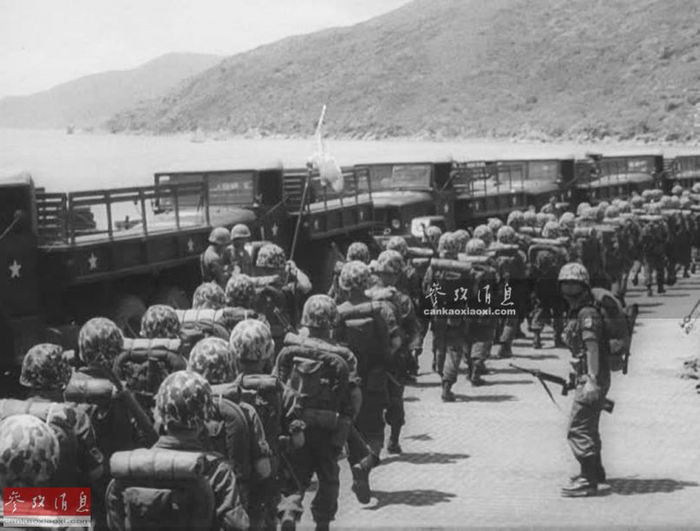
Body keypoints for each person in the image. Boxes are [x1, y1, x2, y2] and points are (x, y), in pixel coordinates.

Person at [105, 371, 249, 530]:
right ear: (204, 418)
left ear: (160, 415)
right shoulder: (217, 472)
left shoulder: (131, 469)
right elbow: (236, 526)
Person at [275, 295, 359, 531]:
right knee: (329, 476)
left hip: (294, 425)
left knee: (294, 476)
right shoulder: (344, 356)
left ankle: (289, 510)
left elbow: (276, 386)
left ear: (305, 319)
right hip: (328, 429)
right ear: (333, 321)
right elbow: (354, 396)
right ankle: (322, 522)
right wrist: (347, 424)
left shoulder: (289, 350)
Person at [0, 344, 104, 489]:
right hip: (59, 500)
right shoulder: (73, 416)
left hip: (9, 500)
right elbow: (95, 472)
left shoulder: (3, 408)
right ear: (64, 377)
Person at [337, 260, 396, 502]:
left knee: (354, 431)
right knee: (376, 430)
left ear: (343, 284)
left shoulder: (337, 313)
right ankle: (367, 464)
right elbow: (393, 343)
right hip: (375, 379)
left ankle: (359, 473)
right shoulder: (379, 309)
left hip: (347, 383)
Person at [558, 263, 610, 497]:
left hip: (592, 375)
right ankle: (596, 472)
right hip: (590, 374)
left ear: (584, 286)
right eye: (565, 285)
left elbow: (592, 347)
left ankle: (587, 481)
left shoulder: (586, 313)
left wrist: (591, 379)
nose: (569, 291)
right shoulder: (578, 310)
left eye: (574, 285)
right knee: (589, 426)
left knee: (577, 428)